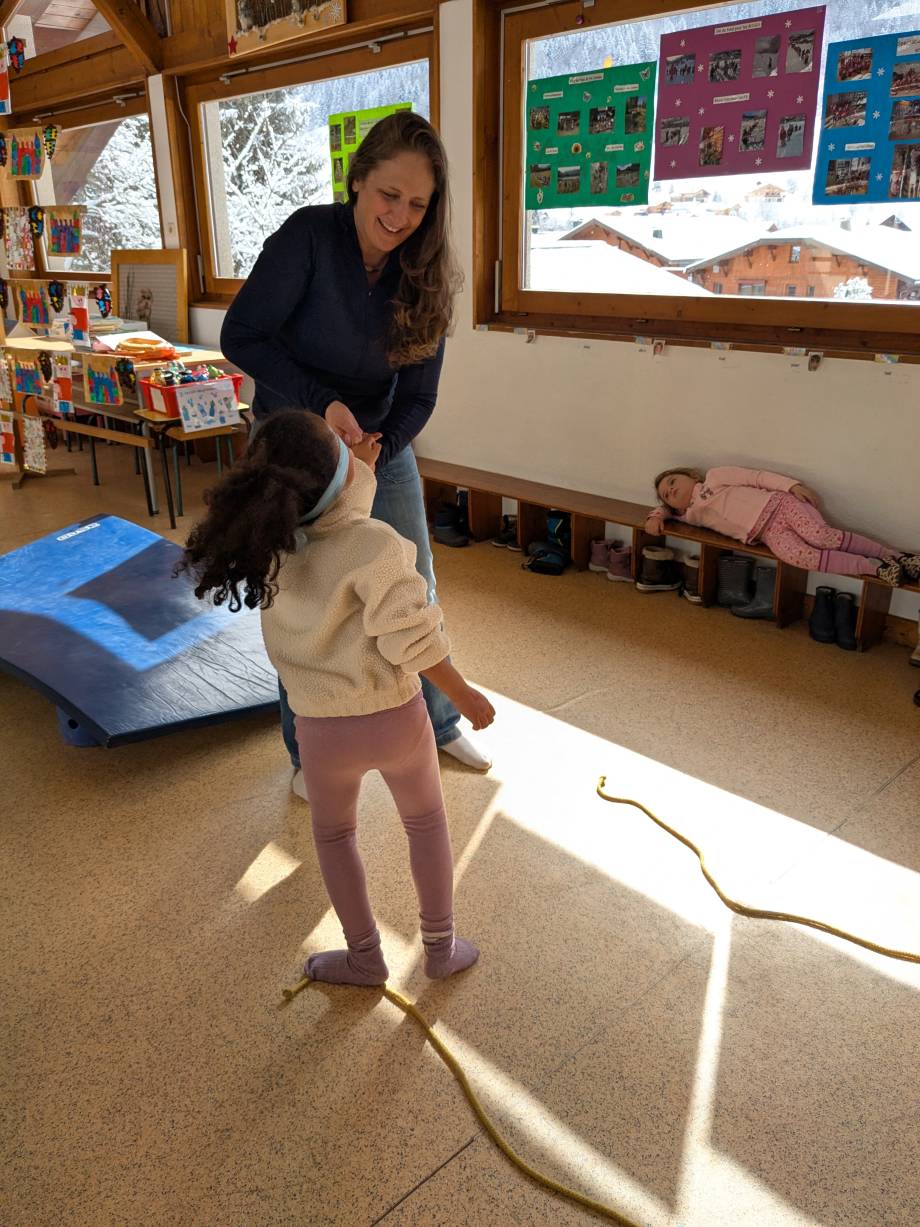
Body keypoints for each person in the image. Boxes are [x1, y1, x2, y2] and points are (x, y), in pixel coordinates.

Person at [220, 111, 491, 799]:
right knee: (299, 596)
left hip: (376, 442)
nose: (399, 216)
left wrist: (375, 452)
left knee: (413, 577)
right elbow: (241, 335)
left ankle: (438, 720)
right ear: (357, 181)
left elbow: (419, 396)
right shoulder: (308, 237)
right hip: (293, 438)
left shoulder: (428, 272)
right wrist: (323, 407)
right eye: (388, 195)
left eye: (417, 204)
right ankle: (308, 753)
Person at [182, 411, 494, 986]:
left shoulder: (270, 546)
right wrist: (464, 695)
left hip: (321, 730)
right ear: (339, 482)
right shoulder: (377, 544)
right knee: (426, 824)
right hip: (395, 718)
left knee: (334, 838)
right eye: (344, 449)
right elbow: (412, 641)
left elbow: (333, 520)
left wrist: (355, 471)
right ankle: (440, 948)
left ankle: (364, 957)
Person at [646, 466, 920, 584]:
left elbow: (756, 477)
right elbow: (664, 512)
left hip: (779, 505)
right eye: (667, 494)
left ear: (691, 475)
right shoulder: (689, 514)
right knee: (801, 557)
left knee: (820, 536)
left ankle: (895, 556)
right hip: (767, 533)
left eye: (672, 481)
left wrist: (792, 486)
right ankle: (875, 568)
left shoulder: (715, 477)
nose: (672, 490)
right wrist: (656, 517)